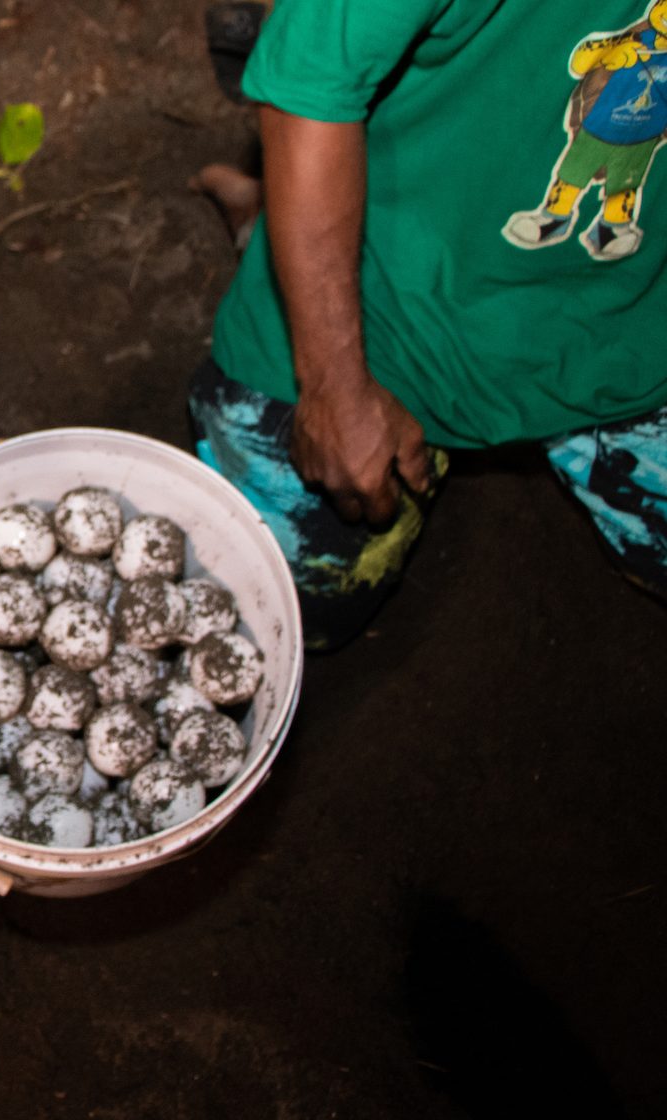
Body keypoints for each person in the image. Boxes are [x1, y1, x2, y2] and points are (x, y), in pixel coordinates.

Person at [189, 0, 667, 650]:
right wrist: (335, 385)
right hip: (398, 296)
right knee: (283, 610)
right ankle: (276, 217)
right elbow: (311, 87)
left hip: (636, 318)